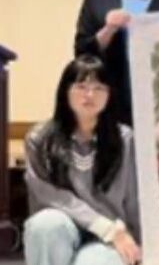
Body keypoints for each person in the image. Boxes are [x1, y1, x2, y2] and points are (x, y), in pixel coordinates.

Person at [23, 55, 141, 265]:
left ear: (109, 95)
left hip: (111, 235)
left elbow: (133, 199)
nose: (90, 95)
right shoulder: (39, 139)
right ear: (65, 91)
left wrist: (139, 243)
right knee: (44, 226)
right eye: (81, 86)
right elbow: (46, 194)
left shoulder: (124, 139)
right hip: (64, 227)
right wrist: (102, 226)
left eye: (99, 88)